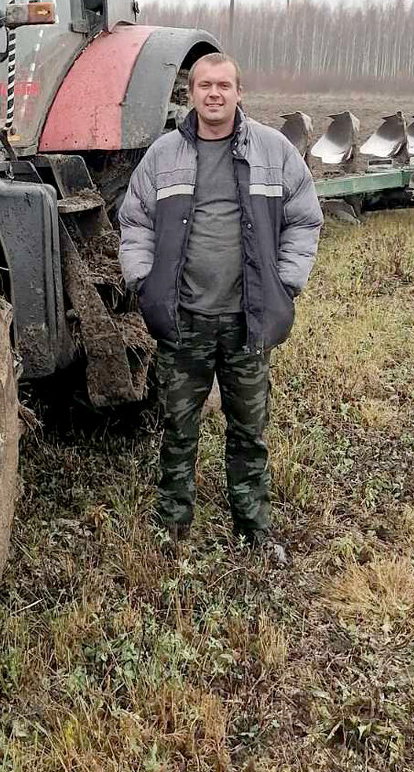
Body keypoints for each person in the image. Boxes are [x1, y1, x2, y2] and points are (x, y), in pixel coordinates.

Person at [118, 52, 322, 560]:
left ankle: (254, 530)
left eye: (224, 85)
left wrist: (286, 283)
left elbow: (304, 217)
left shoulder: (273, 151)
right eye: (205, 85)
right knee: (177, 429)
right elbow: (135, 220)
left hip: (247, 322)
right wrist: (144, 282)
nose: (214, 94)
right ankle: (171, 527)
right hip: (184, 319)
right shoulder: (163, 154)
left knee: (249, 432)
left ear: (238, 92)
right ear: (191, 93)